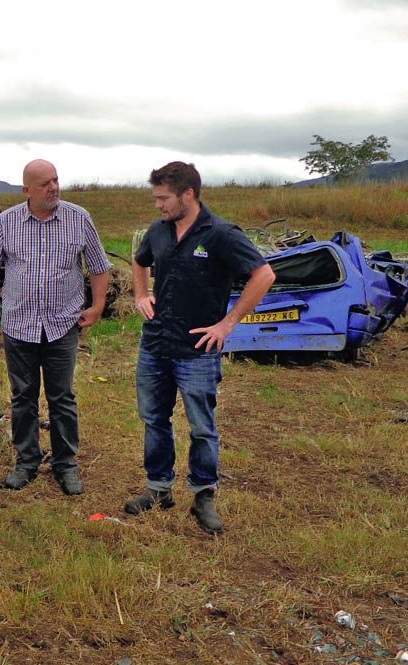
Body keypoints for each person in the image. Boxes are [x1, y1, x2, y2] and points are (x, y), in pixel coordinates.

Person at [126, 161, 275, 534]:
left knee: (202, 427)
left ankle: (203, 496)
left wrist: (228, 323)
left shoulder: (221, 234)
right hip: (156, 344)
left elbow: (264, 274)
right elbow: (140, 261)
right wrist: (141, 294)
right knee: (154, 419)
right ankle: (158, 488)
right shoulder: (159, 231)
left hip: (197, 350)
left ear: (188, 194)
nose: (158, 205)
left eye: (164, 198)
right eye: (156, 198)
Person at [0, 159, 111, 496]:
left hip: (62, 324)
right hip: (19, 325)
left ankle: (66, 464)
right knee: (23, 396)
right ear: (27, 190)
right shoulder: (7, 222)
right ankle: (27, 462)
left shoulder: (78, 218)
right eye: (45, 183)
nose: (53, 187)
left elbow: (99, 266)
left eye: (55, 180)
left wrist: (97, 306)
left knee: (62, 397)